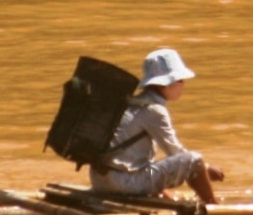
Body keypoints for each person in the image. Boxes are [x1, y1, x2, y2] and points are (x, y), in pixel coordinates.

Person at [89, 47, 225, 203]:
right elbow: (175, 152)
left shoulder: (130, 103)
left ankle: (168, 199)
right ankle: (213, 204)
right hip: (123, 183)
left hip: (99, 181)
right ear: (165, 84)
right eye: (180, 80)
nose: (183, 84)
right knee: (194, 160)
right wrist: (206, 168)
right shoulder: (155, 110)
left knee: (152, 166)